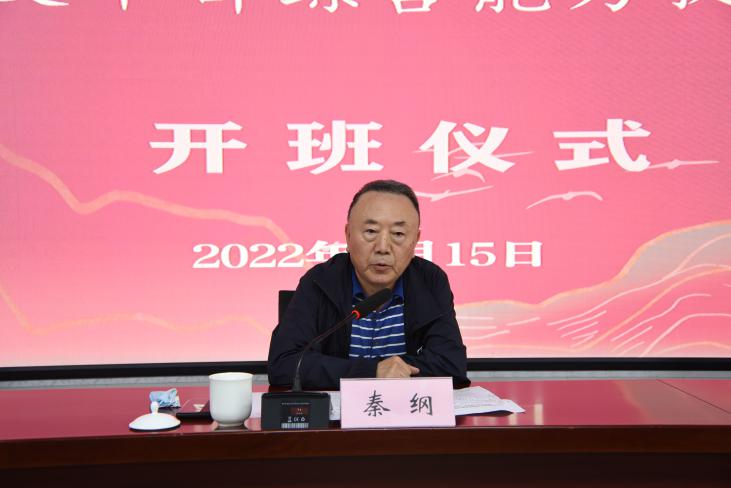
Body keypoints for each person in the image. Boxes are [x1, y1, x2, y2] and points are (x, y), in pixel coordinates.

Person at [267, 179, 469, 389]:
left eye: (398, 234)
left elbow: (452, 366)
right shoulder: (321, 281)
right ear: (348, 235)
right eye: (371, 231)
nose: (383, 247)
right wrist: (372, 372)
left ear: (415, 241)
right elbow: (284, 364)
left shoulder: (430, 281)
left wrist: (382, 371)